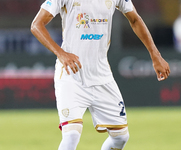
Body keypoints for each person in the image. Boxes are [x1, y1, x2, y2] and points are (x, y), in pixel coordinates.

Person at [31, 0, 170, 149]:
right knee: (71, 135)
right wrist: (61, 54)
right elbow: (36, 25)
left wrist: (155, 55)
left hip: (102, 75)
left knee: (121, 137)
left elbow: (135, 19)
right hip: (71, 75)